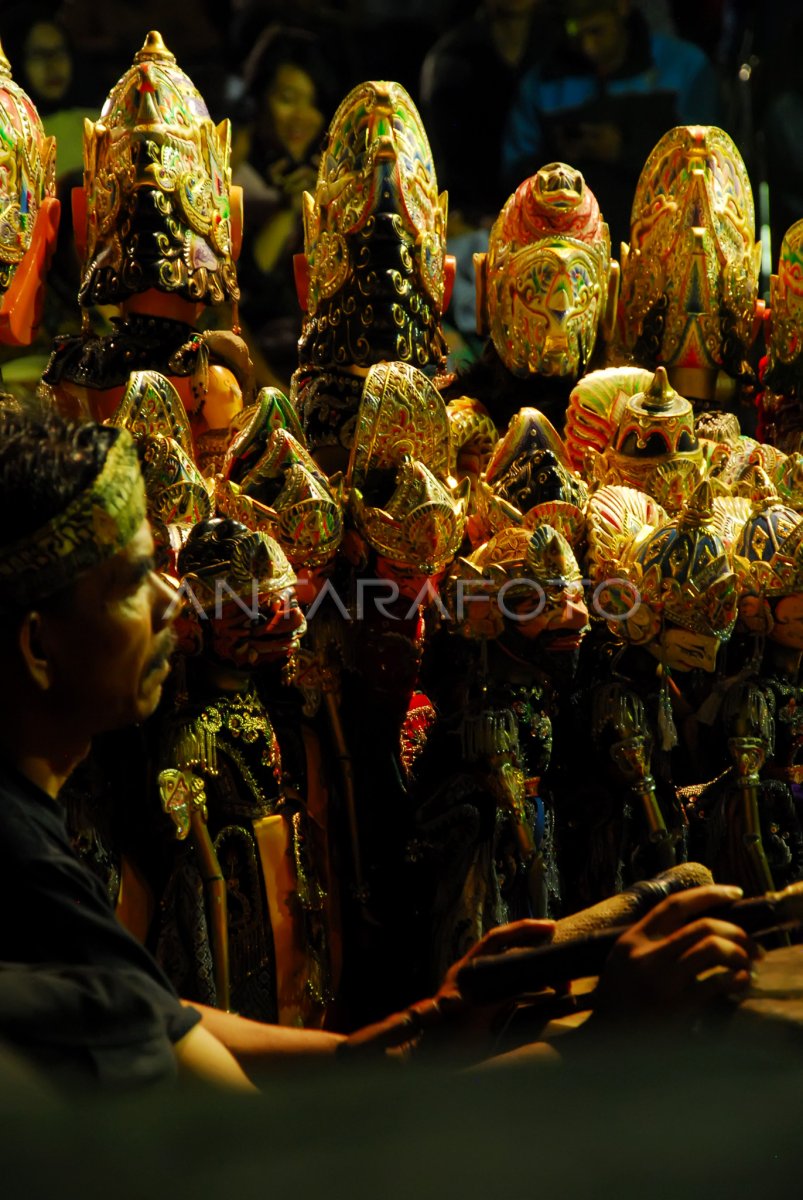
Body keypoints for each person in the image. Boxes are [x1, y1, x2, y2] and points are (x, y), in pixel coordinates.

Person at [0, 404, 763, 1090]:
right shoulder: (28, 885)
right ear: (38, 646)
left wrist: (419, 1029)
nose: (173, 600)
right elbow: (268, 1146)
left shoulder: (34, 835)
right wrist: (609, 1040)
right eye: (135, 579)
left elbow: (166, 1019)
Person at [501, 0, 723, 249]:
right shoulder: (542, 83)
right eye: (575, 34)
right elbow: (516, 174)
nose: (587, 47)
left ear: (621, 8)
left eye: (597, 31)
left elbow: (708, 166)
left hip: (665, 242)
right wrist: (559, 165)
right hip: (568, 246)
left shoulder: (683, 68)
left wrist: (624, 150)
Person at [233, 26, 340, 391]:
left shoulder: (331, 171)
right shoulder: (237, 167)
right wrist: (292, 208)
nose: (301, 116)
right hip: (254, 353)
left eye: (314, 103)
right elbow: (252, 282)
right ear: (260, 98)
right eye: (287, 98)